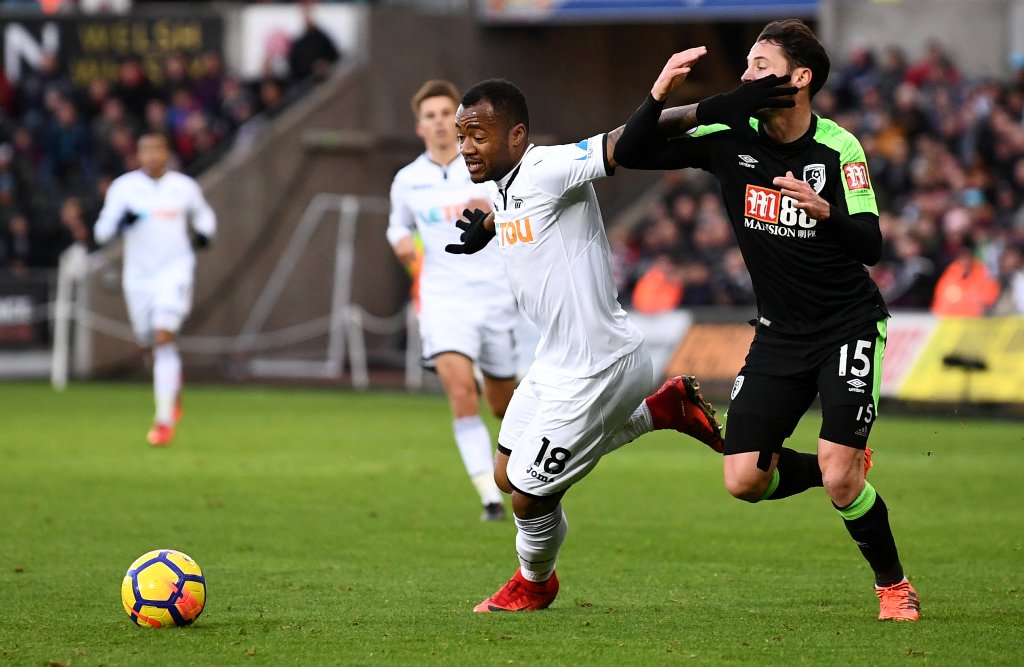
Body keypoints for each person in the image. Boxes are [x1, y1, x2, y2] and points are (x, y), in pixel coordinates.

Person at [614, 19, 920, 621]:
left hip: (847, 326)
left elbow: (871, 245)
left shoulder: (839, 148)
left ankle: (893, 585)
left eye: (761, 65)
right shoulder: (732, 133)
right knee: (743, 480)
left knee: (839, 475)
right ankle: (844, 466)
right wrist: (659, 94)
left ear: (800, 78)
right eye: (747, 65)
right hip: (779, 334)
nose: (749, 76)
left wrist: (824, 211)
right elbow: (630, 151)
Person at [446, 78, 725, 612]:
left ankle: (535, 584)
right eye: (462, 137)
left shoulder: (549, 167)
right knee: (507, 475)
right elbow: (517, 210)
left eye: (476, 135)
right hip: (554, 361)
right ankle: (661, 411)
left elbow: (626, 140)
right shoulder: (504, 185)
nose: (466, 148)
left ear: (516, 135)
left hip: (600, 363)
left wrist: (688, 102)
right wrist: (487, 225)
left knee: (530, 495)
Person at [386, 79, 519, 522]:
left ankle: (526, 469)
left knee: (504, 406)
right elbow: (396, 225)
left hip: (497, 299)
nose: (441, 122)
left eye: (448, 114)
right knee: (461, 392)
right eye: (432, 116)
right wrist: (401, 240)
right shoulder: (408, 180)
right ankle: (489, 497)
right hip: (443, 302)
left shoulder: (483, 167)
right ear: (420, 126)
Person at [94, 132, 216, 447]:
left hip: (174, 272)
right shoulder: (125, 188)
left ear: (167, 153)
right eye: (145, 151)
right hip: (138, 277)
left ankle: (163, 422)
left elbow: (204, 214)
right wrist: (122, 222)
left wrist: (204, 234)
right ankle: (171, 387)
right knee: (149, 344)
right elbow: (101, 231)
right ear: (138, 155)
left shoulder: (183, 187)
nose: (151, 156)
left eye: (157, 150)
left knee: (163, 338)